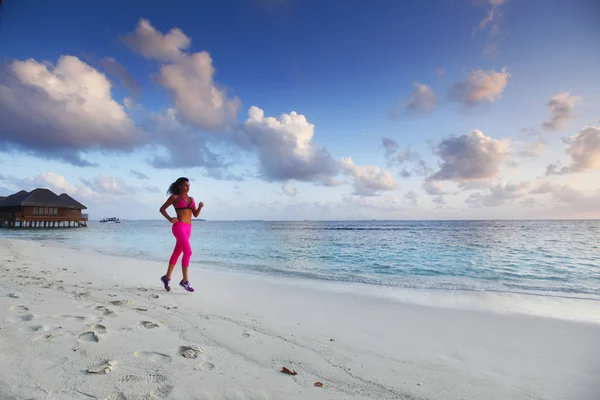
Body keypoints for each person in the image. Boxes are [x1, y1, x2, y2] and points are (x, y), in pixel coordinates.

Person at [159, 177, 204, 292]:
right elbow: (162, 209)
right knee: (188, 252)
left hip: (189, 227)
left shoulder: (191, 199)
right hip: (179, 226)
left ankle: (167, 277)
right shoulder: (175, 197)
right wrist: (170, 219)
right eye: (185, 185)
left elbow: (195, 215)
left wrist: (199, 207)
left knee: (177, 252)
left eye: (189, 185)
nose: (188, 187)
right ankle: (185, 281)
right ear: (179, 186)